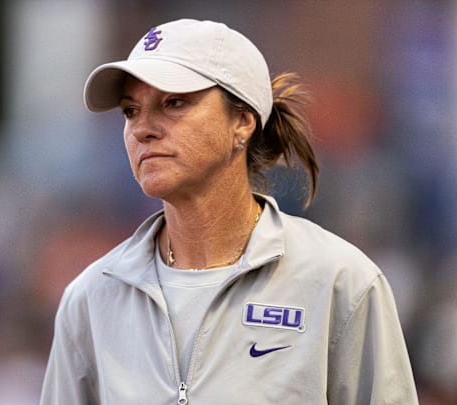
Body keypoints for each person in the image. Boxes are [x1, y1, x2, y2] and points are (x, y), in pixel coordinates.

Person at [40, 18, 418, 404]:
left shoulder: (341, 282)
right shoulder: (90, 299)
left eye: (173, 102)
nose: (142, 129)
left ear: (242, 121)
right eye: (131, 110)